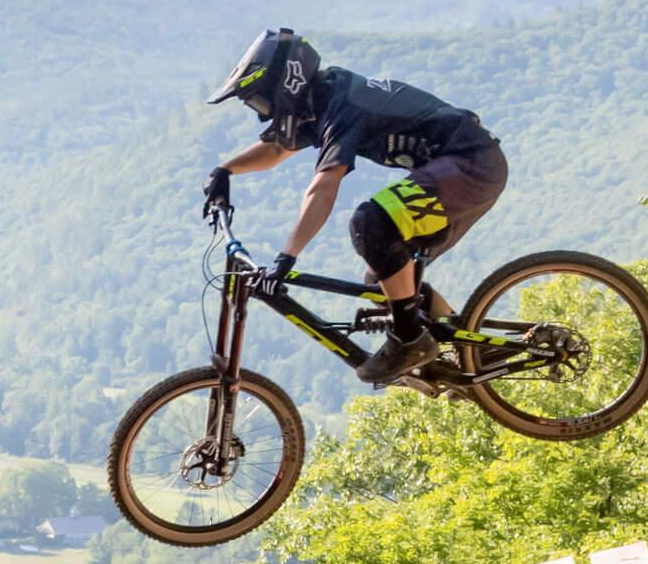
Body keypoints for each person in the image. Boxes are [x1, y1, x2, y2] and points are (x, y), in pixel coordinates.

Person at [200, 28, 508, 384]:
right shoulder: (321, 101)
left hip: (471, 164)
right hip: (463, 169)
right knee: (385, 283)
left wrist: (286, 257)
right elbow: (277, 148)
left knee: (371, 223)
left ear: (284, 84)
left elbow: (324, 185)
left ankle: (410, 341)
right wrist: (226, 170)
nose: (262, 114)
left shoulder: (342, 105)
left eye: (260, 102)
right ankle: (468, 350)